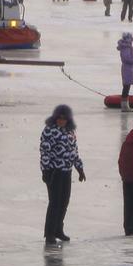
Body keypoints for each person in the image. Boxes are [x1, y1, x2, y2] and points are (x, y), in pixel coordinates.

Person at [39, 105, 86, 246]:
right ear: (55, 118)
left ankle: (58, 229)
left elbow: (74, 152)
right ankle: (49, 234)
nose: (61, 120)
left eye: (64, 118)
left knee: (64, 202)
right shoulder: (49, 131)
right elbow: (45, 152)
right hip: (54, 172)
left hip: (67, 171)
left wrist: (80, 168)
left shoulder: (70, 132)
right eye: (59, 118)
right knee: (54, 203)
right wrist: (46, 171)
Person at [116, 32, 133, 112]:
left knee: (127, 87)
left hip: (129, 69)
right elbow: (126, 59)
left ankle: (125, 105)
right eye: (131, 38)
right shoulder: (125, 47)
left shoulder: (129, 46)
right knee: (126, 87)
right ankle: (124, 106)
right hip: (127, 69)